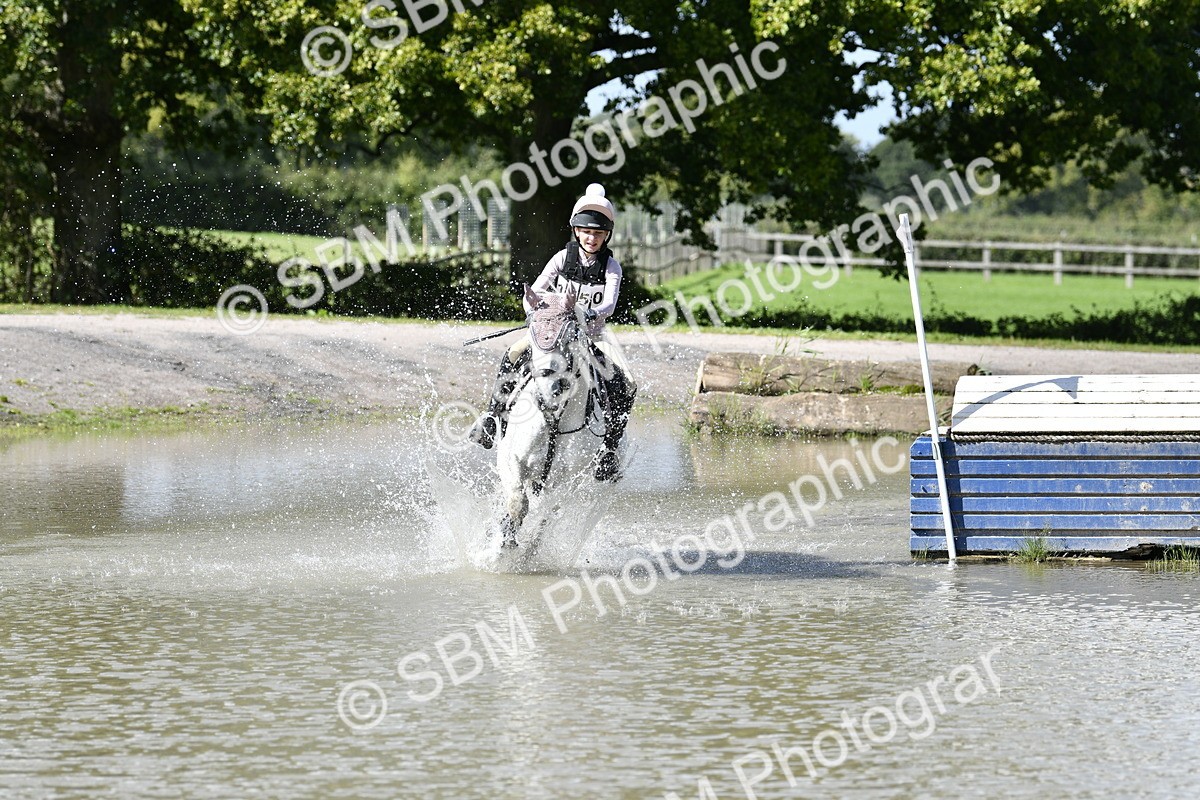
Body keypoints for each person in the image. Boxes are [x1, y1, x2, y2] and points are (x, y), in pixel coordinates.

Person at [468, 183, 637, 481]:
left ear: (606, 235)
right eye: (587, 232)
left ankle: (608, 449)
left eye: (598, 234)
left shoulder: (612, 267)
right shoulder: (561, 259)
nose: (592, 238)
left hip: (592, 338)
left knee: (626, 382)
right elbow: (534, 290)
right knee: (513, 354)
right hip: (552, 335)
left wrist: (587, 315)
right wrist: (537, 313)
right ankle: (493, 416)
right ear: (576, 232)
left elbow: (609, 303)